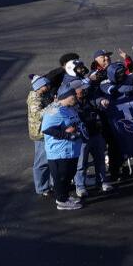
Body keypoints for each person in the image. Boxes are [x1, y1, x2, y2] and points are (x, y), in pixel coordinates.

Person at [40, 83, 87, 211]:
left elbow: (74, 123)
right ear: (67, 96)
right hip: (59, 152)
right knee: (61, 177)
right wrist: (67, 134)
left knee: (69, 175)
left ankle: (64, 197)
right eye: (73, 95)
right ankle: (61, 201)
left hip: (72, 151)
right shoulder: (53, 110)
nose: (76, 97)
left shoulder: (70, 108)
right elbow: (46, 129)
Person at [26, 76, 55, 197]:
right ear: (39, 87)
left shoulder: (44, 94)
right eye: (46, 85)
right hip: (40, 134)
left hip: (47, 131)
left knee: (51, 159)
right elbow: (38, 115)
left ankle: (52, 183)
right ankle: (42, 187)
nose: (48, 87)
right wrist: (53, 106)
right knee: (42, 162)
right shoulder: (34, 99)